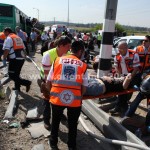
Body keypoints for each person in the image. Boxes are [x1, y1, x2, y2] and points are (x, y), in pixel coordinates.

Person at [46, 41, 88, 150]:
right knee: (73, 124)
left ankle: (53, 143)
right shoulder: (83, 65)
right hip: (74, 100)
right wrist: (79, 96)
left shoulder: (57, 60)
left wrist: (52, 93)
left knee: (55, 121)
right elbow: (84, 87)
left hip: (56, 98)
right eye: (82, 52)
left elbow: (48, 81)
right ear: (79, 51)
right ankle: (71, 146)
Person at [40, 36, 71, 130]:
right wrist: (50, 87)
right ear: (61, 45)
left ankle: (60, 115)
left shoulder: (68, 54)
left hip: (60, 81)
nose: (69, 48)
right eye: (68, 46)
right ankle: (46, 120)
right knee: (47, 99)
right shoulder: (48, 55)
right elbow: (46, 75)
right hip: (47, 80)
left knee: (60, 100)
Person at [109, 41, 141, 114]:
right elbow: (116, 67)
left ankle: (119, 108)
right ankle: (122, 107)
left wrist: (129, 78)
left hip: (134, 75)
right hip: (123, 75)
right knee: (121, 88)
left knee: (125, 89)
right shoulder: (117, 56)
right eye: (118, 48)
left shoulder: (134, 55)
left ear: (126, 48)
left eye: (121, 48)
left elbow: (136, 69)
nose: (119, 50)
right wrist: (120, 77)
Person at [124, 35, 150, 117]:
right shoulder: (138, 48)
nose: (143, 42)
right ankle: (125, 102)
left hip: (146, 73)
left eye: (145, 41)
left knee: (142, 92)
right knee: (130, 87)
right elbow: (132, 59)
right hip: (137, 72)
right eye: (143, 40)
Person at [2, 27, 31, 92]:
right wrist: (25, 56)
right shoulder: (18, 38)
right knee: (16, 74)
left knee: (11, 75)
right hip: (21, 59)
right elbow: (24, 48)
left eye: (4, 32)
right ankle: (17, 87)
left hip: (14, 59)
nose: (4, 33)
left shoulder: (9, 38)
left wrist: (3, 59)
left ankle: (27, 83)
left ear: (7, 32)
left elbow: (6, 50)